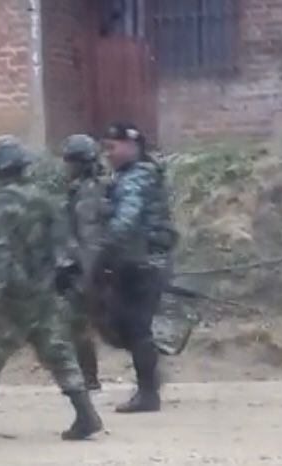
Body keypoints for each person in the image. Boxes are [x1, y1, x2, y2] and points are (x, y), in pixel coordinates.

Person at [0, 135, 103, 440]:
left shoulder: (0, 203)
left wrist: (1, 291)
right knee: (58, 353)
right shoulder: (44, 199)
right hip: (44, 291)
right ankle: (86, 414)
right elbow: (66, 246)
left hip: (15, 296)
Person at [89, 122, 178, 413]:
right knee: (118, 324)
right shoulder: (126, 175)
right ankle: (150, 375)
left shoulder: (137, 177)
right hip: (132, 260)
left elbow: (125, 223)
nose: (108, 154)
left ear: (132, 146)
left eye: (112, 147)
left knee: (136, 327)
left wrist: (102, 255)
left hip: (144, 262)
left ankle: (148, 394)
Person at [55, 134, 106, 391]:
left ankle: (88, 379)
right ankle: (88, 378)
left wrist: (86, 278)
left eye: (68, 162)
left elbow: (90, 240)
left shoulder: (87, 194)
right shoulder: (81, 190)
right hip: (79, 269)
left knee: (78, 325)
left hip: (86, 272)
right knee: (77, 326)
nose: (65, 167)